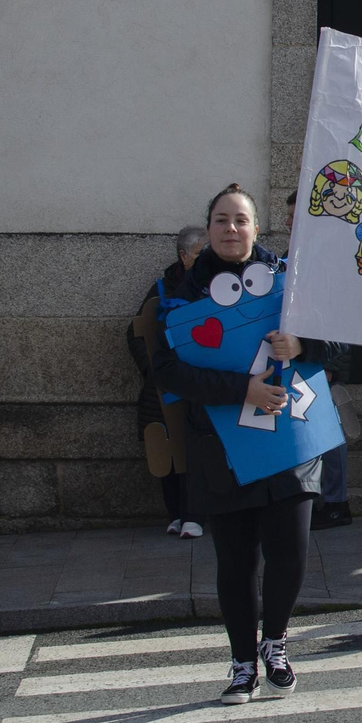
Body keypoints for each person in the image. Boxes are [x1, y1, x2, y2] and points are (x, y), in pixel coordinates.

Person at [152, 184, 342, 705]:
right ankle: (242, 663)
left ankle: (275, 643)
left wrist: (302, 343)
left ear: (257, 228)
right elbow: (167, 371)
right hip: (222, 450)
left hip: (291, 442)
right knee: (236, 563)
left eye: (241, 220)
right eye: (221, 220)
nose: (231, 229)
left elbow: (340, 343)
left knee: (291, 552)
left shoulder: (291, 281)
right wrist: (243, 390)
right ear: (209, 228)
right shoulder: (181, 294)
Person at [128, 225, 207, 539]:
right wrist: (155, 370)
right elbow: (136, 334)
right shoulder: (162, 289)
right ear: (184, 257)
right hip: (165, 388)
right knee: (168, 449)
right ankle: (175, 514)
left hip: (200, 384)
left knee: (197, 448)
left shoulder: (217, 285)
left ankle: (194, 515)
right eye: (200, 254)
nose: (206, 259)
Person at [285, 190, 354, 531]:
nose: (287, 222)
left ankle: (337, 504)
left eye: (294, 215)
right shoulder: (290, 256)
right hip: (296, 362)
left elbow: (344, 320)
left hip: (322, 363)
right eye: (287, 216)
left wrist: (331, 368)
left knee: (329, 437)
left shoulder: (331, 259)